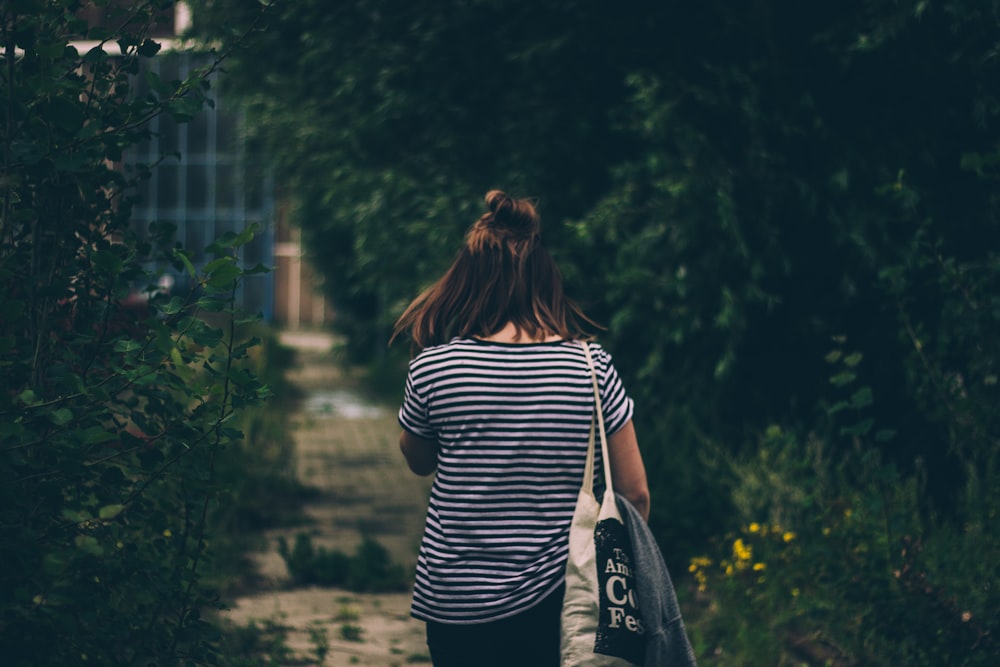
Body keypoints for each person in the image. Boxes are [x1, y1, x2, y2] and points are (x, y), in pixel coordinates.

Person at [391, 190, 650, 667]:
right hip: (563, 600)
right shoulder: (591, 368)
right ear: (544, 278)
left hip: (456, 602)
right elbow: (634, 493)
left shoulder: (434, 368)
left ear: (465, 281)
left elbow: (418, 460)